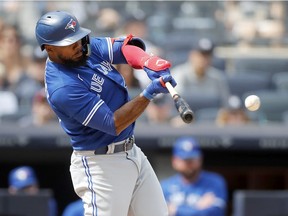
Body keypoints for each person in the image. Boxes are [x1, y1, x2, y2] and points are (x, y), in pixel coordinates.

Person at [35, 10, 177, 216]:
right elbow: (113, 123)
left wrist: (147, 61)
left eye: (78, 39)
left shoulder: (81, 49)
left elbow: (124, 47)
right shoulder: (62, 88)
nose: (78, 46)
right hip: (101, 165)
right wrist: (149, 93)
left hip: (132, 152)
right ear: (49, 48)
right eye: (70, 43)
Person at [161, 137, 228, 216]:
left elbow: (216, 213)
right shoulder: (164, 186)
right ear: (175, 161)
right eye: (185, 160)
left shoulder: (215, 182)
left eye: (192, 160)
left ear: (200, 160)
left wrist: (176, 211)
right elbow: (161, 213)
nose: (189, 165)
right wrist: (198, 208)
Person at [171, 37, 230, 109]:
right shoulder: (179, 74)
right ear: (192, 55)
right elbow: (175, 103)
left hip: (211, 118)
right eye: (201, 55)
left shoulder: (217, 78)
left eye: (208, 55)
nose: (204, 59)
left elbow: (225, 105)